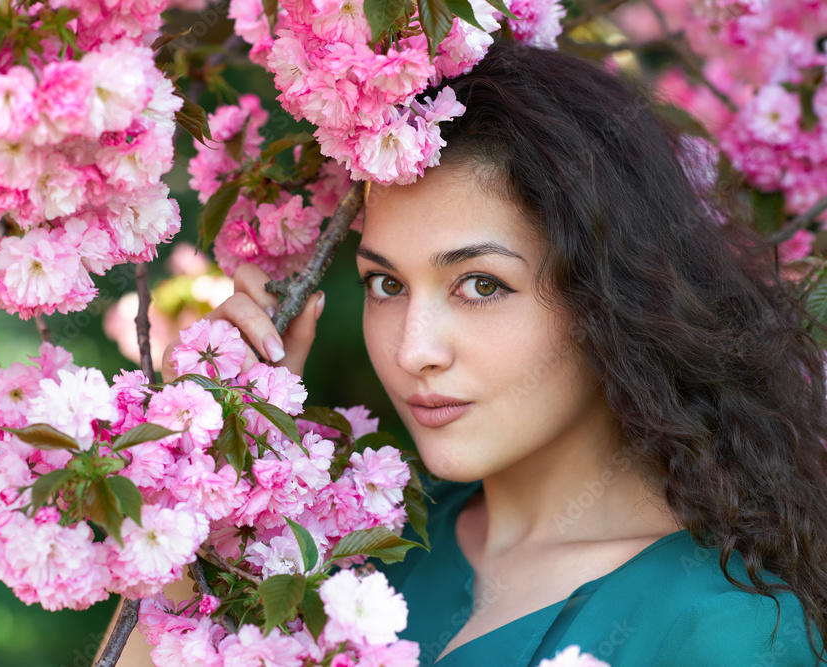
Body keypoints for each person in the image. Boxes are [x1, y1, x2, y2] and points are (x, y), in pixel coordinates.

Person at [110, 41, 827, 665]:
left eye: (481, 284)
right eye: (386, 283)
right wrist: (205, 494)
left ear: (612, 298)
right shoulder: (355, 551)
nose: (413, 349)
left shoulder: (724, 633)